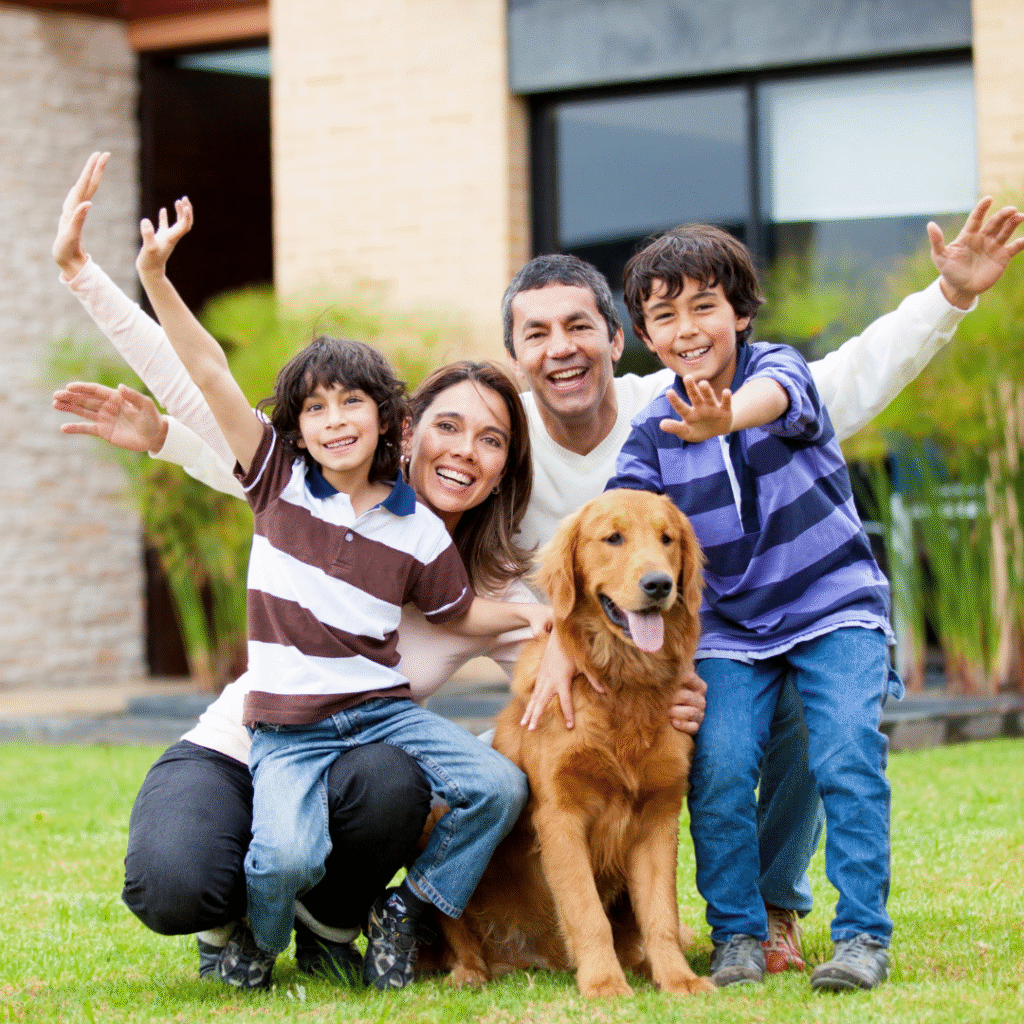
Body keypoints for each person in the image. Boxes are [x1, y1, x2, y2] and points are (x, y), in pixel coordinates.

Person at [505, 194, 1023, 972]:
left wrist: (949, 294)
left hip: (830, 609)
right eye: (666, 316)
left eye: (705, 307)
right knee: (716, 766)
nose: (688, 328)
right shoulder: (627, 435)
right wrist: (564, 638)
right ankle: (738, 934)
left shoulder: (774, 374)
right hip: (733, 633)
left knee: (844, 749)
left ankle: (858, 935)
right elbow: (614, 531)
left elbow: (805, 386)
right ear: (645, 334)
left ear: (741, 315)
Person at [129, 193, 554, 993]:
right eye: (315, 408)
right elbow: (209, 373)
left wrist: (542, 619)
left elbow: (461, 613)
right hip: (286, 725)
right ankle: (256, 940)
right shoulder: (277, 482)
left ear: (389, 419)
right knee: (284, 855)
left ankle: (408, 907)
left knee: (499, 786)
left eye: (352, 401)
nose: (334, 419)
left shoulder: (418, 527)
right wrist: (155, 278)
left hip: (380, 716)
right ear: (295, 430)